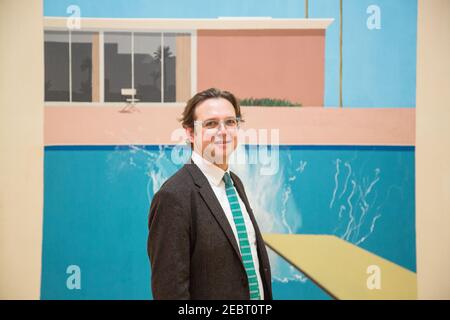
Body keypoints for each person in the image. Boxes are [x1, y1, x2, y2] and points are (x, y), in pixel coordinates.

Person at [147, 88, 272, 300]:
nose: (223, 131)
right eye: (211, 124)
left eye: (230, 122)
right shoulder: (173, 197)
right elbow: (170, 293)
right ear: (190, 133)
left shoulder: (235, 184)